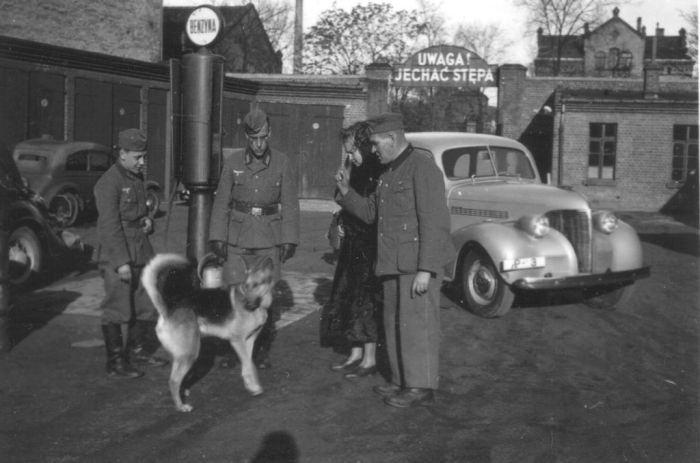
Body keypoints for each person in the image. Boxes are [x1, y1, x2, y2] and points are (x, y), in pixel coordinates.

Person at [335, 112, 453, 408]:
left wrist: (426, 269)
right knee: (395, 325)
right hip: (391, 263)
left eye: (376, 144)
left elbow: (434, 221)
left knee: (417, 326)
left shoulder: (422, 168)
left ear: (392, 138)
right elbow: (370, 213)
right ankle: (402, 380)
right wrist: (347, 191)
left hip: (415, 265)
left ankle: (421, 386)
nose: (372, 150)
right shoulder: (388, 174)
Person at [208, 108, 300, 369]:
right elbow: (221, 202)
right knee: (234, 294)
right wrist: (217, 237)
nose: (258, 145)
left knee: (265, 296)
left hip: (269, 237)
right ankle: (231, 351)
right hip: (237, 237)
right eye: (252, 139)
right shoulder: (233, 162)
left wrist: (289, 239)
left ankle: (260, 351)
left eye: (262, 138)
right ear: (246, 138)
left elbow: (290, 204)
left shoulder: (282, 162)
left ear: (269, 133)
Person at [94, 128, 167, 378]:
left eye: (144, 156)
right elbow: (110, 225)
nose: (142, 162)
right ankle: (115, 362)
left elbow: (137, 214)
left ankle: (138, 352)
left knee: (144, 304)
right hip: (119, 252)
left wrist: (148, 220)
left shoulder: (136, 180)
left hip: (140, 250)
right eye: (137, 157)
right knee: (117, 307)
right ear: (122, 153)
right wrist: (120, 262)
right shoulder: (108, 182)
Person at [320, 122, 384, 379]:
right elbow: (341, 198)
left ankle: (369, 358)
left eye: (353, 151)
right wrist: (343, 182)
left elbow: (368, 212)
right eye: (347, 152)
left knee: (366, 300)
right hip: (353, 243)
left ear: (364, 146)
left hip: (369, 244)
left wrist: (345, 190)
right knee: (349, 295)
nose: (350, 156)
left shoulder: (375, 170)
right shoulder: (356, 167)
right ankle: (355, 353)